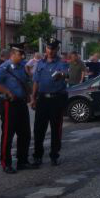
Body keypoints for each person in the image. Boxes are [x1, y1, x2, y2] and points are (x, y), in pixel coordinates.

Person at [0, 43, 34, 174]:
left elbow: (26, 81)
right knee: (8, 135)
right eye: (21, 54)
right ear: (13, 54)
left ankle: (22, 161)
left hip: (21, 103)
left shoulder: (22, 66)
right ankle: (6, 163)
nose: (23, 56)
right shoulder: (5, 67)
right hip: (9, 104)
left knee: (25, 134)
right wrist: (7, 91)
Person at [30, 39, 69, 167]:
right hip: (42, 99)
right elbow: (36, 81)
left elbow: (65, 74)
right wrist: (33, 97)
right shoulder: (40, 63)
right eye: (48, 48)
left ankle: (54, 156)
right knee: (38, 129)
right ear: (45, 49)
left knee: (55, 129)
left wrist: (61, 75)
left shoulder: (61, 62)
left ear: (57, 49)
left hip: (56, 99)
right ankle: (37, 156)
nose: (50, 51)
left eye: (53, 49)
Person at [0, 49, 10, 118]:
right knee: (1, 97)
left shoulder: (6, 62)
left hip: (6, 82)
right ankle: (0, 113)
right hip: (1, 83)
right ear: (5, 55)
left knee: (5, 97)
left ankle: (5, 111)